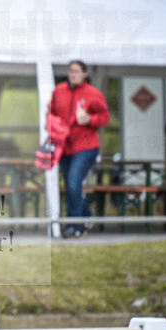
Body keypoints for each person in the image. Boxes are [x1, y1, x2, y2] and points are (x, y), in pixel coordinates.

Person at [46, 60, 109, 238]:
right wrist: (52, 124)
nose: (72, 74)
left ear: (84, 73)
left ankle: (73, 226)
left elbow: (104, 117)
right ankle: (87, 216)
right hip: (64, 147)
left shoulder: (93, 93)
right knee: (71, 186)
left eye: (76, 71)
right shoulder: (59, 90)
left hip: (86, 146)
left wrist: (90, 120)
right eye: (70, 71)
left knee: (74, 182)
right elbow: (51, 111)